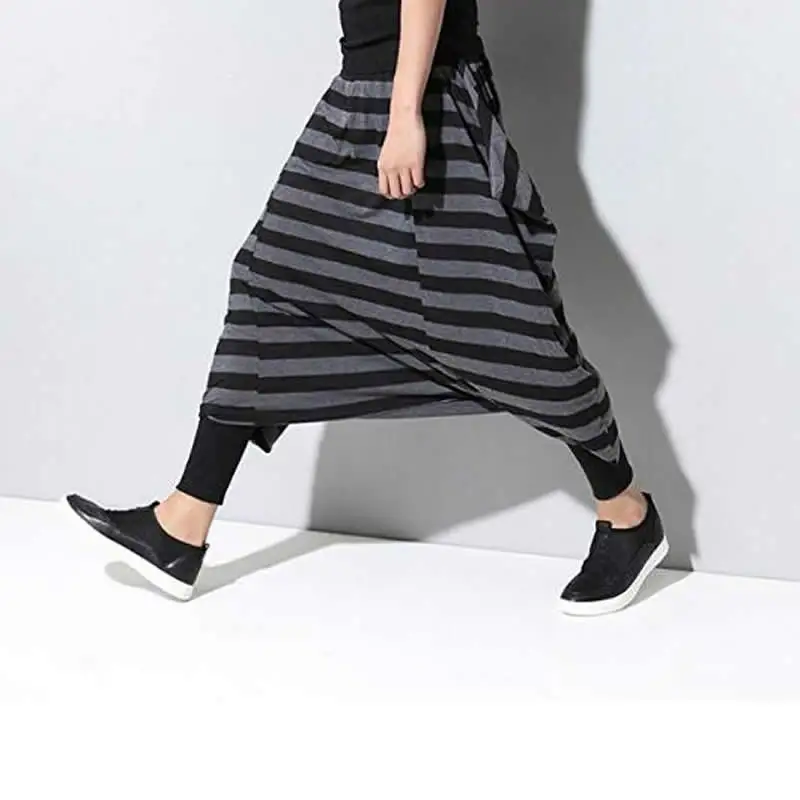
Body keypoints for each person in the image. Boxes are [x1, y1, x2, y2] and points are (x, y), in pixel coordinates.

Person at [65, 0, 668, 616]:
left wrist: (405, 114)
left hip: (426, 97)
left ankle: (627, 514)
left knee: (505, 326)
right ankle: (181, 524)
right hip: (362, 92)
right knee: (268, 283)